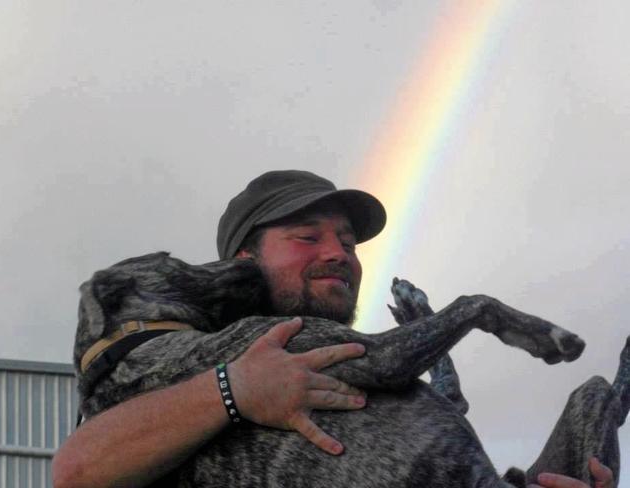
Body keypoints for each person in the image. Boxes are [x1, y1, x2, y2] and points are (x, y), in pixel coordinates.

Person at [52, 170, 613, 488]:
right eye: (307, 237)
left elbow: (433, 426)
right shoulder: (206, 364)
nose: (337, 254)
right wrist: (235, 390)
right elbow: (77, 470)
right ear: (243, 259)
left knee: (595, 400)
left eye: (347, 243)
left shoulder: (316, 362)